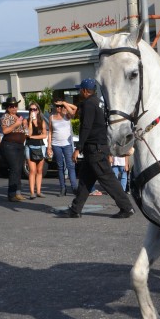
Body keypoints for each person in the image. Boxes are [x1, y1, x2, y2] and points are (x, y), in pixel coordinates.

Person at [57, 78, 134, 219]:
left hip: (95, 149)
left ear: (86, 91)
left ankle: (127, 207)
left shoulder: (88, 104)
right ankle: (75, 210)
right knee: (85, 181)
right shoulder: (98, 102)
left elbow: (86, 126)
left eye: (80, 89)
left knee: (108, 179)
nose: (79, 91)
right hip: (96, 147)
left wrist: (78, 148)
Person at [0, 97, 29, 202]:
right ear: (7, 107)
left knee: (19, 169)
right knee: (14, 167)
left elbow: (27, 133)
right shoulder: (5, 117)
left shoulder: (19, 117)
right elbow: (5, 131)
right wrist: (16, 124)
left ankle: (18, 192)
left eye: (16, 105)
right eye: (12, 106)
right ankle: (11, 194)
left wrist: (25, 125)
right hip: (9, 145)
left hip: (20, 145)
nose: (14, 108)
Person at [48, 99, 78, 196]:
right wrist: (49, 146)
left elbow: (75, 108)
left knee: (70, 166)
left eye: (60, 106)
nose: (59, 108)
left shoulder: (67, 116)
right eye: (57, 106)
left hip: (67, 144)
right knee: (60, 167)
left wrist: (64, 103)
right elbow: (50, 132)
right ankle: (62, 188)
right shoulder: (51, 117)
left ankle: (74, 187)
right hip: (56, 144)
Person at [25, 101, 49, 199]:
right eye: (31, 109)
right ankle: (32, 192)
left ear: (38, 111)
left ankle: (38, 191)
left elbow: (44, 135)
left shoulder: (42, 121)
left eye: (34, 109)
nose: (32, 111)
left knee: (39, 170)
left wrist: (34, 137)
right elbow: (28, 134)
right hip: (29, 147)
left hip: (40, 146)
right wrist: (31, 121)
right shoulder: (26, 121)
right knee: (32, 170)